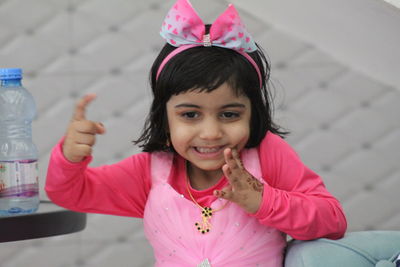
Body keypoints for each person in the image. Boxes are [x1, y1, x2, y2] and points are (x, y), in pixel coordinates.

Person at [45, 0, 347, 266]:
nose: (211, 132)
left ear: (254, 113)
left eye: (230, 114)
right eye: (190, 115)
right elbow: (69, 193)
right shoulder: (148, 172)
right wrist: (70, 158)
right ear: (164, 118)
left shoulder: (268, 155)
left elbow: (332, 221)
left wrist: (264, 200)